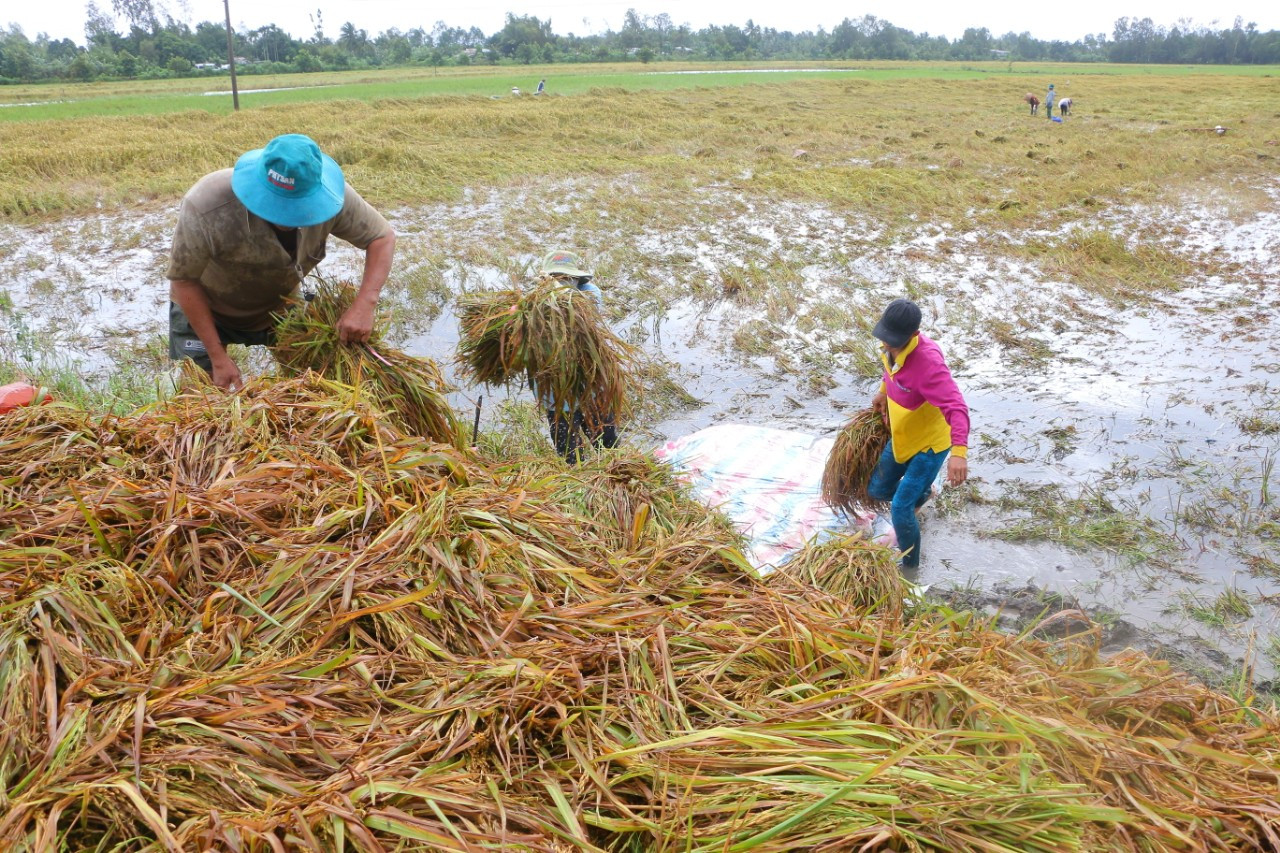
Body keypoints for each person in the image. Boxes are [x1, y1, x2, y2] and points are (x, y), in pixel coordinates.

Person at [166, 133, 395, 391]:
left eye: (299, 206)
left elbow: (381, 237)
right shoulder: (207, 204)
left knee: (311, 390)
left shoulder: (332, 195)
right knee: (199, 400)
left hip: (280, 305)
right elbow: (184, 281)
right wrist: (218, 358)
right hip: (208, 308)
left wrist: (365, 304)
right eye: (278, 206)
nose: (288, 218)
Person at [867, 299, 969, 569]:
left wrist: (958, 453)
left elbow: (957, 407)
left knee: (900, 508)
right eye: (885, 338)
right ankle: (923, 493)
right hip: (903, 435)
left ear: (913, 335)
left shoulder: (929, 365)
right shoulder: (890, 344)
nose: (887, 344)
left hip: (930, 446)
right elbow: (891, 370)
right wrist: (882, 391)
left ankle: (909, 566)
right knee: (877, 489)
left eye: (893, 340)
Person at [534, 249, 619, 463]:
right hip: (557, 393)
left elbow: (574, 307)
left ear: (577, 279)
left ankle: (616, 480)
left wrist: (555, 288)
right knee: (569, 454)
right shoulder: (534, 304)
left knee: (608, 445)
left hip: (590, 385)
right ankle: (579, 486)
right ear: (545, 279)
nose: (563, 283)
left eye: (567, 278)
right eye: (556, 278)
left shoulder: (588, 295)